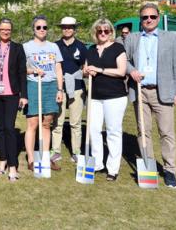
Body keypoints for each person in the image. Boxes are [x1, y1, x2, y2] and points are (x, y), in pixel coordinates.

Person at [124, 3, 176, 188]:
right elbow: (124, 60)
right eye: (145, 17)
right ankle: (148, 166)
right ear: (140, 20)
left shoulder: (170, 38)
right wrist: (132, 70)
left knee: (166, 133)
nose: (149, 20)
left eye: (152, 17)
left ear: (158, 18)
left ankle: (169, 170)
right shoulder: (132, 38)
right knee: (144, 131)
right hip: (140, 91)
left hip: (163, 91)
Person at [0, 18, 27, 181]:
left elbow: (23, 73)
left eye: (8, 29)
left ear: (11, 31)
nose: (5, 31)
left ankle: (13, 166)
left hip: (12, 94)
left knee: (9, 128)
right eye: (2, 29)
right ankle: (2, 161)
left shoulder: (17, 48)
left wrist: (24, 95)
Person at [84, 18, 128, 181]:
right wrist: (87, 71)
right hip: (94, 96)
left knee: (113, 131)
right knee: (94, 130)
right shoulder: (91, 49)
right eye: (99, 31)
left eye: (106, 31)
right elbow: (85, 69)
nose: (102, 33)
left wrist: (100, 70)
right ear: (95, 32)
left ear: (111, 32)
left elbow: (121, 71)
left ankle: (112, 168)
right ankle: (97, 164)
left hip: (115, 96)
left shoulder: (118, 48)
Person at [23, 15, 64, 172]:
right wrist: (33, 70)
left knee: (47, 123)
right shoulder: (26, 47)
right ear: (33, 29)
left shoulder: (54, 47)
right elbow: (20, 68)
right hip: (33, 85)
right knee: (33, 123)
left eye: (44, 27)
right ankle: (32, 160)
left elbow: (58, 69)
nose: (42, 30)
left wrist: (59, 90)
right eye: (38, 27)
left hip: (51, 86)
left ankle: (45, 158)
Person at [52, 16, 87, 164]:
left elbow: (85, 66)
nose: (67, 29)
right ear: (61, 28)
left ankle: (76, 151)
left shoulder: (81, 46)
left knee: (75, 122)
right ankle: (56, 151)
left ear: (74, 29)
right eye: (64, 27)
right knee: (57, 121)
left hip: (77, 88)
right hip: (59, 88)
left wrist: (83, 72)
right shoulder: (54, 46)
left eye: (70, 27)